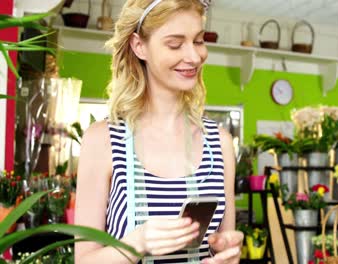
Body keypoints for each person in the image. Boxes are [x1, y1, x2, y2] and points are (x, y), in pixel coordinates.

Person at [74, 0, 243, 263]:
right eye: (175, 44)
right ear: (139, 46)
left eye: (198, 41)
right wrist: (137, 243)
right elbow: (83, 260)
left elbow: (224, 244)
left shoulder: (219, 143)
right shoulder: (103, 140)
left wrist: (229, 252)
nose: (195, 56)